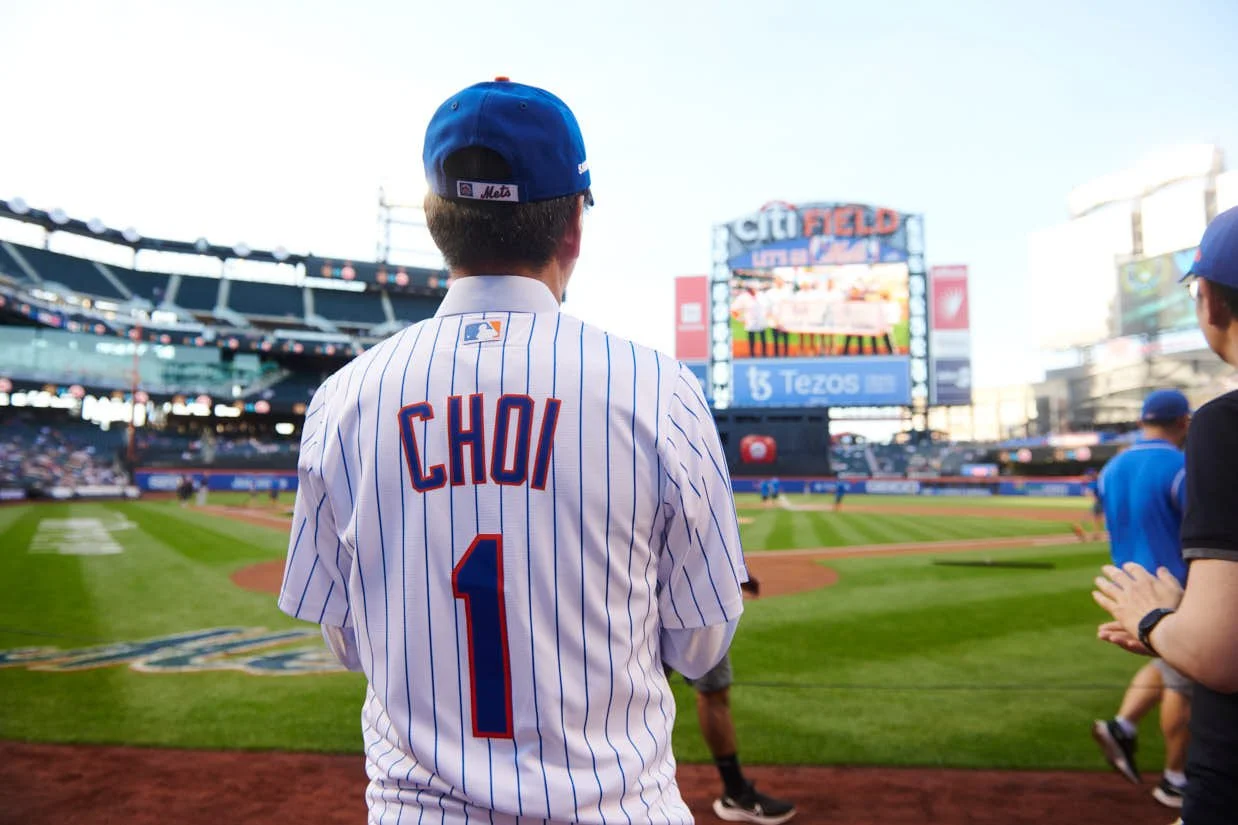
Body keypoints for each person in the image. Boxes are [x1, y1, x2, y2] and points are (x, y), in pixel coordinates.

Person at [277, 78, 747, 825]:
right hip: (616, 809)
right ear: (572, 228)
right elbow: (699, 643)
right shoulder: (659, 389)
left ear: (437, 223)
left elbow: (347, 642)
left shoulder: (343, 398)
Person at [1094, 205, 1238, 825]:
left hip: (1168, 595)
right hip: (1187, 588)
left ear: (1211, 303)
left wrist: (1157, 618)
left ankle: (1164, 767)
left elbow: (1218, 654)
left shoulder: (1220, 427)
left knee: (1181, 672)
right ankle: (1135, 738)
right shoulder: (1183, 454)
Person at [1088, 389, 1191, 808]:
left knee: (1165, 663)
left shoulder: (1111, 467)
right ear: (1183, 421)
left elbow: (1104, 510)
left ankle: (1122, 726)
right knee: (1185, 683)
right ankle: (1175, 781)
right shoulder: (1181, 465)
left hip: (1127, 589)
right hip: (1174, 588)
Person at [671, 575, 797, 825]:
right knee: (635, 690)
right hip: (658, 599)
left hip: (692, 601)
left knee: (714, 690)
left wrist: (738, 572)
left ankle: (735, 790)